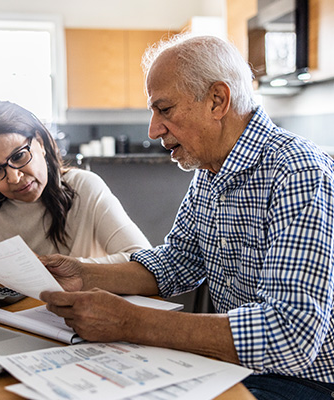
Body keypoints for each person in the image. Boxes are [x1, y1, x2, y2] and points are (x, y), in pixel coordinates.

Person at [39, 34, 334, 400]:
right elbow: (178, 261)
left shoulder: (297, 171)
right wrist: (84, 274)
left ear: (217, 100)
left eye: (164, 109)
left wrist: (132, 322)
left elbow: (292, 334)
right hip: (237, 366)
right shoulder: (211, 169)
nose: (153, 129)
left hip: (306, 382)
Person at [0, 100, 151, 313]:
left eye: (19, 156)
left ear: (40, 142)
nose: (15, 178)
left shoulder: (84, 188)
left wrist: (77, 271)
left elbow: (143, 259)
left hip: (61, 323)